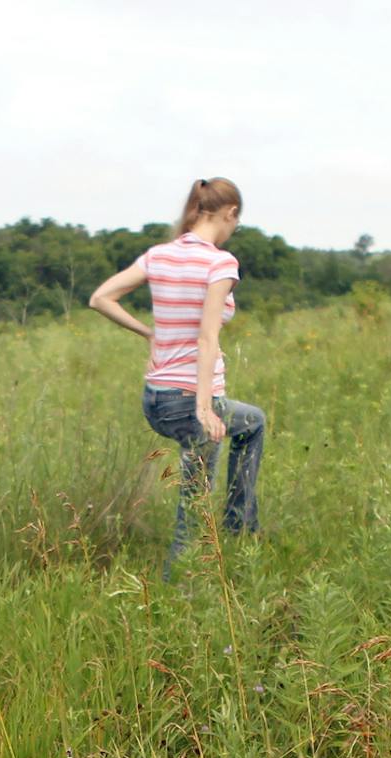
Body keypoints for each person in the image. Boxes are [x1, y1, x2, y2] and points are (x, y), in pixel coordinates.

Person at [89, 177, 267, 576]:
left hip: (156, 399)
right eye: (236, 222)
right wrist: (205, 408)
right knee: (193, 510)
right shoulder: (220, 262)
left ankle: (240, 527)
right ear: (230, 213)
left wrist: (149, 332)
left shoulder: (159, 255)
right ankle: (180, 592)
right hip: (191, 400)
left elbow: (100, 298)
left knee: (252, 421)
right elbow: (207, 338)